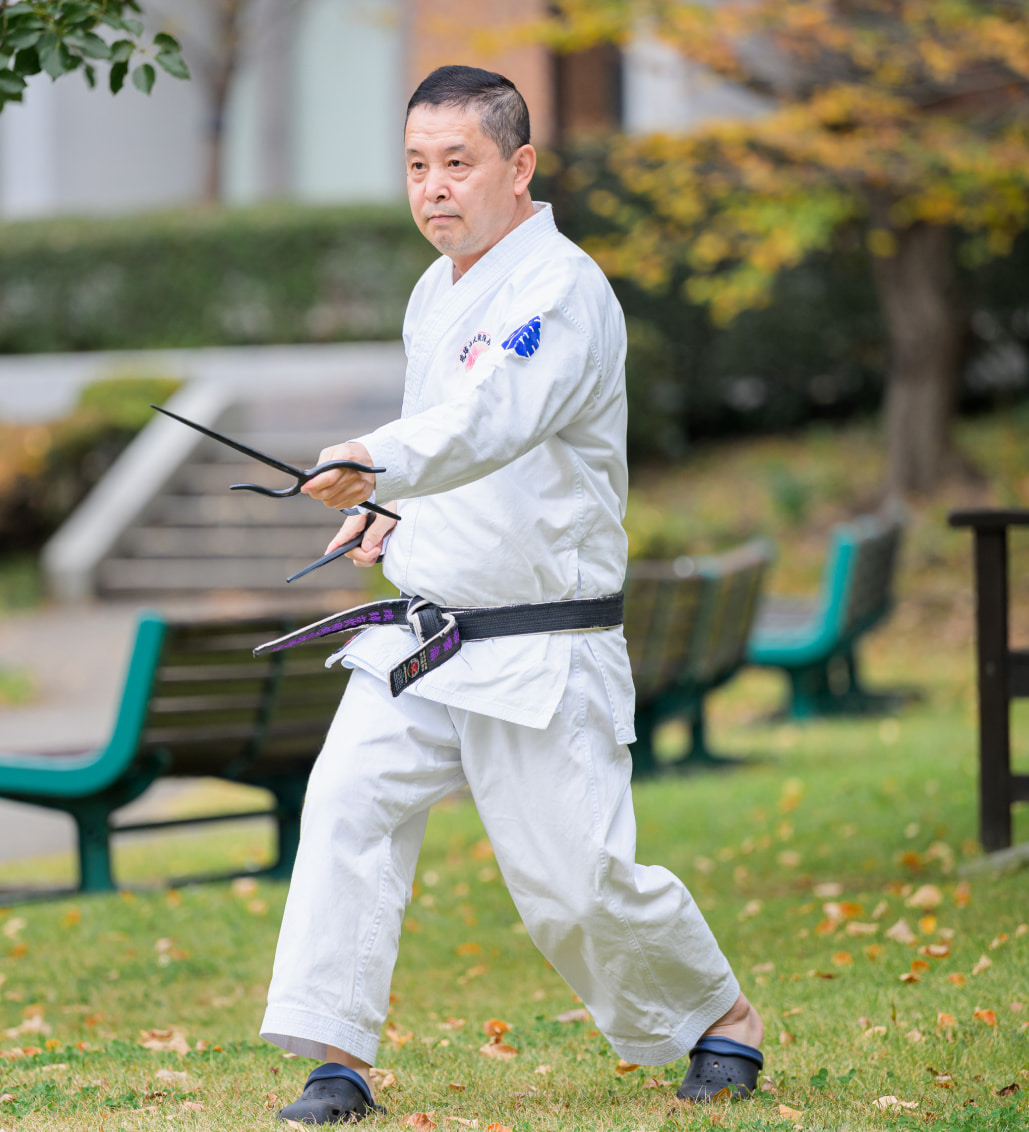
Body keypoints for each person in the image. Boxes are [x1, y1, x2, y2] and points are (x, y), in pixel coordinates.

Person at [257, 65, 765, 1124]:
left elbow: (493, 422)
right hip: (429, 639)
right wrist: (392, 513)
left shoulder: (558, 291)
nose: (433, 188)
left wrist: (373, 459)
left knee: (574, 888)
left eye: (458, 163)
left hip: (544, 642)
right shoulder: (433, 293)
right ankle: (337, 1058)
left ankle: (718, 1019)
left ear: (519, 165)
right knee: (346, 804)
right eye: (415, 166)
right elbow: (466, 466)